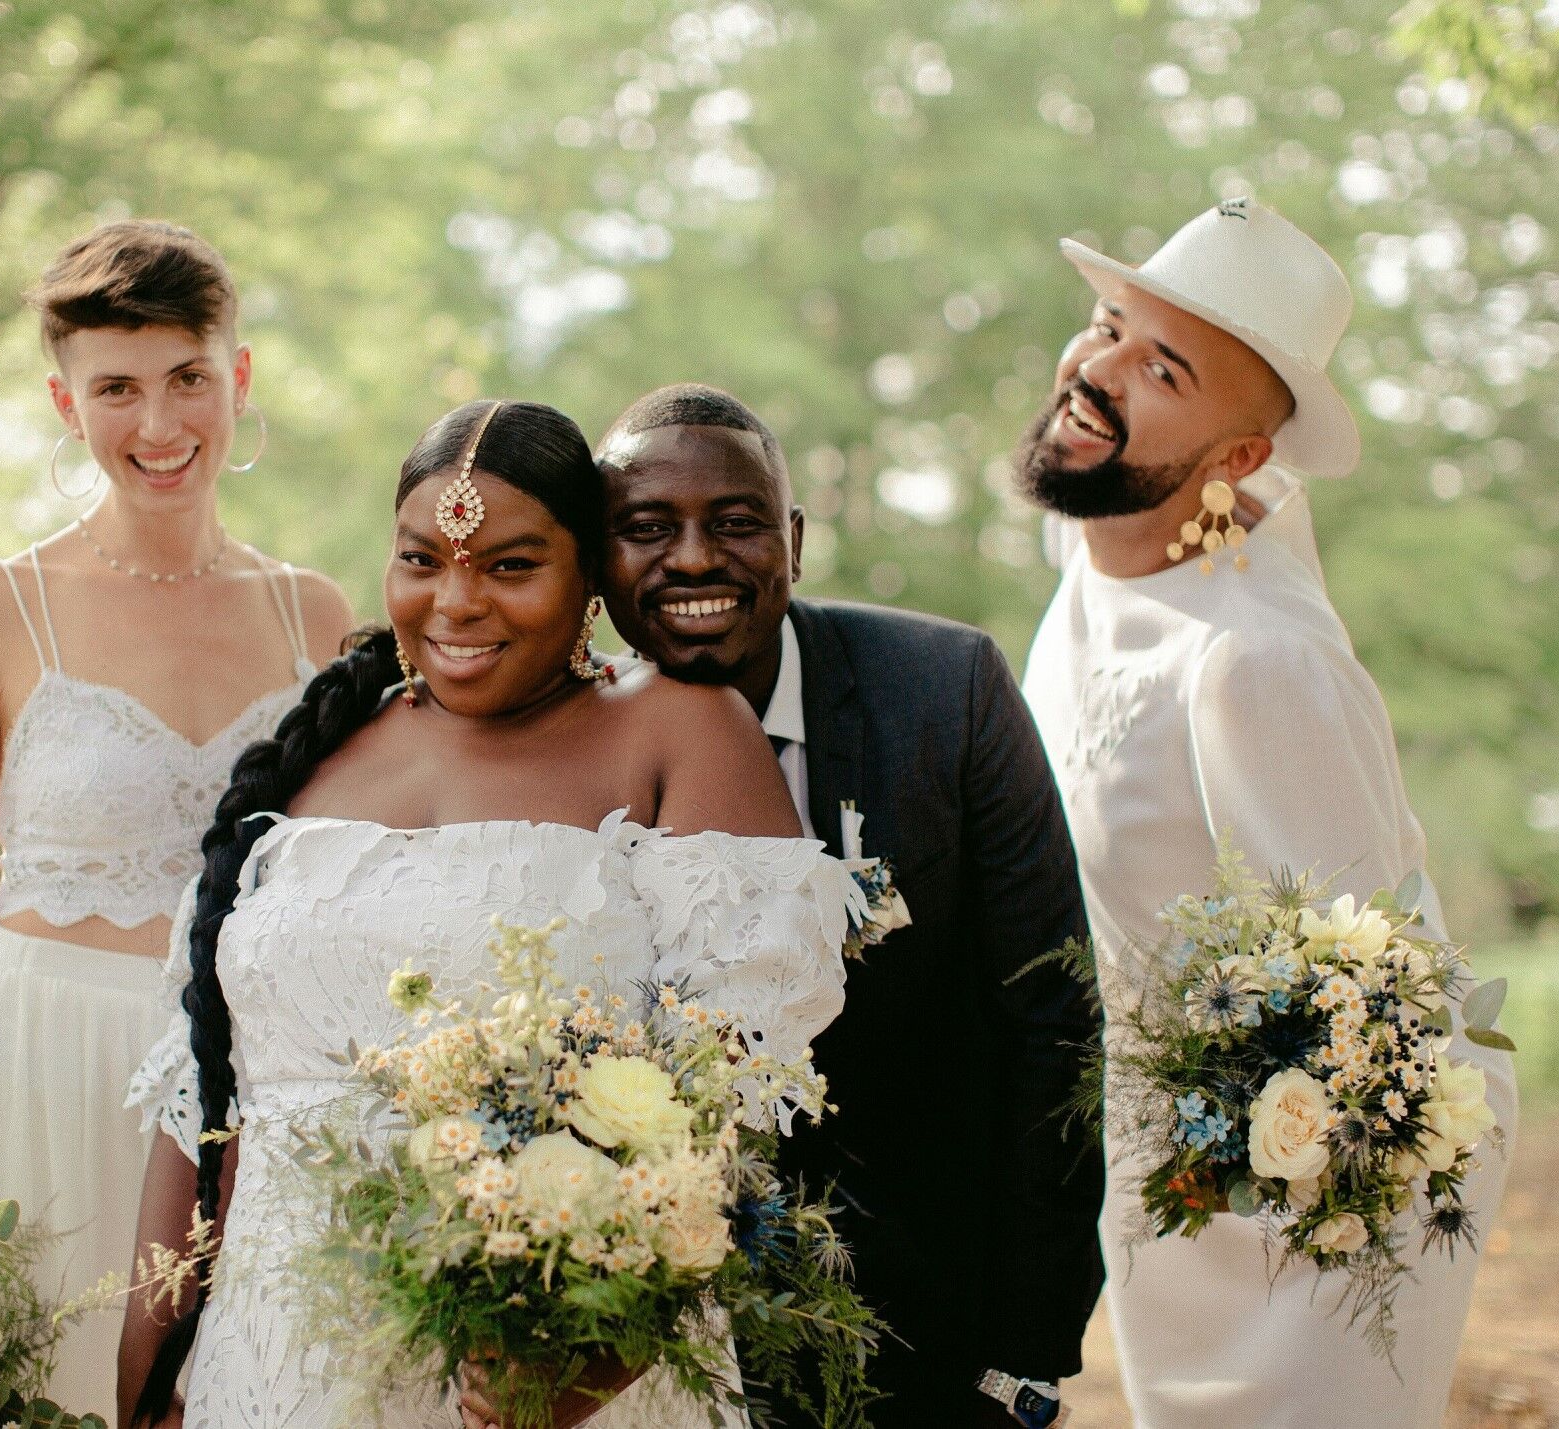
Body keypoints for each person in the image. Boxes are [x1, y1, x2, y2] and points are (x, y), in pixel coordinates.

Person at [117, 399, 863, 1429]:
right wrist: (146, 1375)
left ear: (590, 580)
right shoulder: (311, 753)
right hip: (277, 1358)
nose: (457, 602)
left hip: (551, 1360)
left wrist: (584, 1362)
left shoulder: (679, 733)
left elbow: (727, 1102)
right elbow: (193, 1108)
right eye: (423, 560)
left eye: (510, 565)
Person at [0, 220, 354, 1423]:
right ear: (66, 403)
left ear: (239, 376)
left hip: (239, 1090)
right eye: (117, 389)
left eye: (187, 379)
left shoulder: (314, 619)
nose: (159, 427)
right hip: (28, 1064)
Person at [1015, 199, 1518, 1427]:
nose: (1099, 372)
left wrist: (1262, 1179)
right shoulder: (1089, 548)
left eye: (1163, 367)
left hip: (1329, 1198)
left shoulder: (1257, 661)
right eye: (1110, 327)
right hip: (1169, 1178)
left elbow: (1373, 998)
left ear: (1238, 459)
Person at [594, 385, 1105, 1428]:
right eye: (647, 527)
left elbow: (1052, 1019)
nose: (692, 558)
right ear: (599, 560)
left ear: (794, 539)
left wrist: (1026, 1356)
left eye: (734, 523)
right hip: (629, 1341)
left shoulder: (943, 691)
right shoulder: (552, 734)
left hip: (917, 1325)